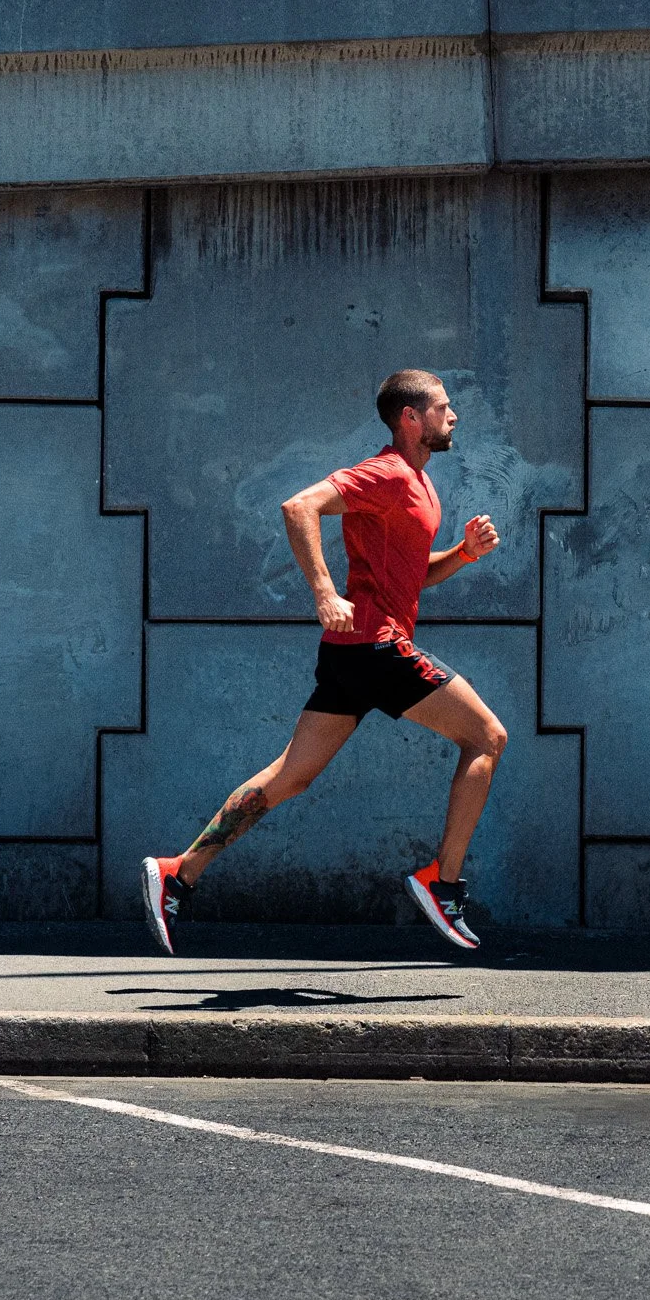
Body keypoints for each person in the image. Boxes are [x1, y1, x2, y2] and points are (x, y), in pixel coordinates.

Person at [139, 369, 509, 954]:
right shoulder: (386, 472)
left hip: (350, 655)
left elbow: (413, 578)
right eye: (443, 407)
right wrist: (323, 591)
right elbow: (299, 505)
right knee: (487, 736)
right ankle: (444, 882)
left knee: (291, 777)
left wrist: (463, 554)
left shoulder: (421, 483)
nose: (453, 415)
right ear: (411, 419)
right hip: (375, 646)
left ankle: (177, 873)